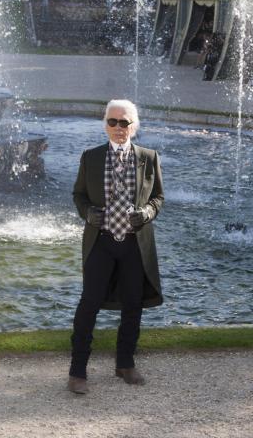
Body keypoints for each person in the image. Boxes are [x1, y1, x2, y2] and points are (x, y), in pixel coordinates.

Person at [68, 99, 164, 395]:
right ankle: (77, 370)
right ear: (105, 124)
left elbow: (158, 197)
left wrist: (147, 213)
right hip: (102, 241)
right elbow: (79, 195)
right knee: (89, 304)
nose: (119, 128)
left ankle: (125, 363)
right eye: (113, 122)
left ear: (134, 126)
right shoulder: (91, 157)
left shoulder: (148, 157)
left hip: (135, 243)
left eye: (124, 123)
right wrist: (87, 213)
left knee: (133, 304)